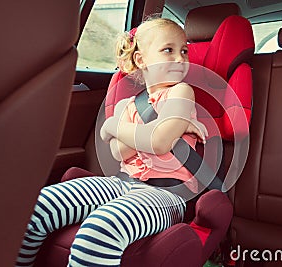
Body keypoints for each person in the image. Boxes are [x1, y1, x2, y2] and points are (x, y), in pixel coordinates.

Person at [16, 17, 207, 267]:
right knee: (36, 208)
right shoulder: (127, 104)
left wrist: (115, 126)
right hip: (120, 182)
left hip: (168, 193)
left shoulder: (181, 92)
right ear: (141, 60)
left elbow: (159, 142)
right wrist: (156, 130)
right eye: (168, 50)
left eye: (184, 51)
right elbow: (119, 152)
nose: (180, 58)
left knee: (100, 230)